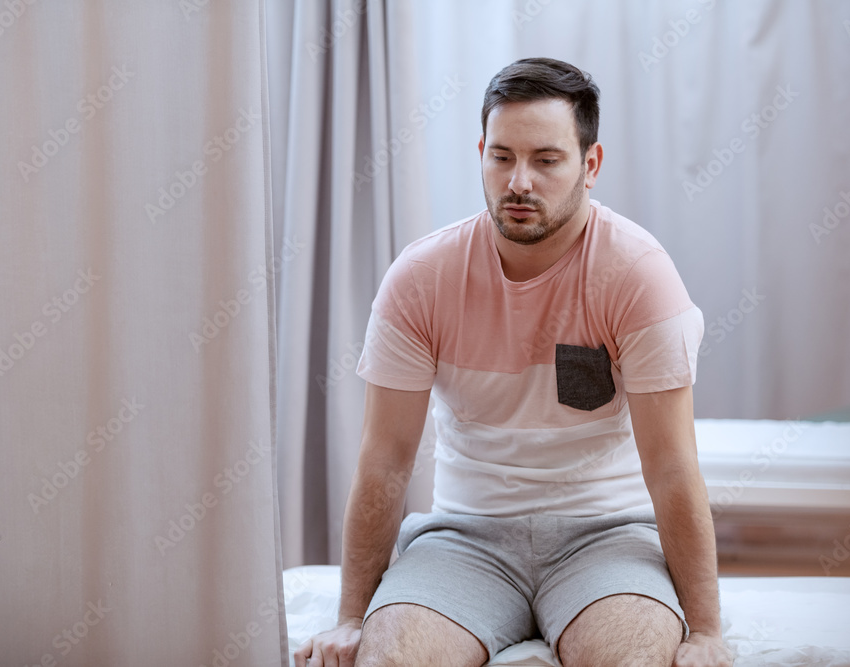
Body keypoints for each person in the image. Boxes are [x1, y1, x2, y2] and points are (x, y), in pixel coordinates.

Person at [297, 57, 732, 667]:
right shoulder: (421, 279)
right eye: (501, 157)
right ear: (481, 154)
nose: (519, 181)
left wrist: (707, 632)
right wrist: (349, 618)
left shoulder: (638, 275)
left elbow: (671, 467)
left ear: (590, 164)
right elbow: (385, 460)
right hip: (464, 540)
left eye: (546, 160)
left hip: (605, 538)